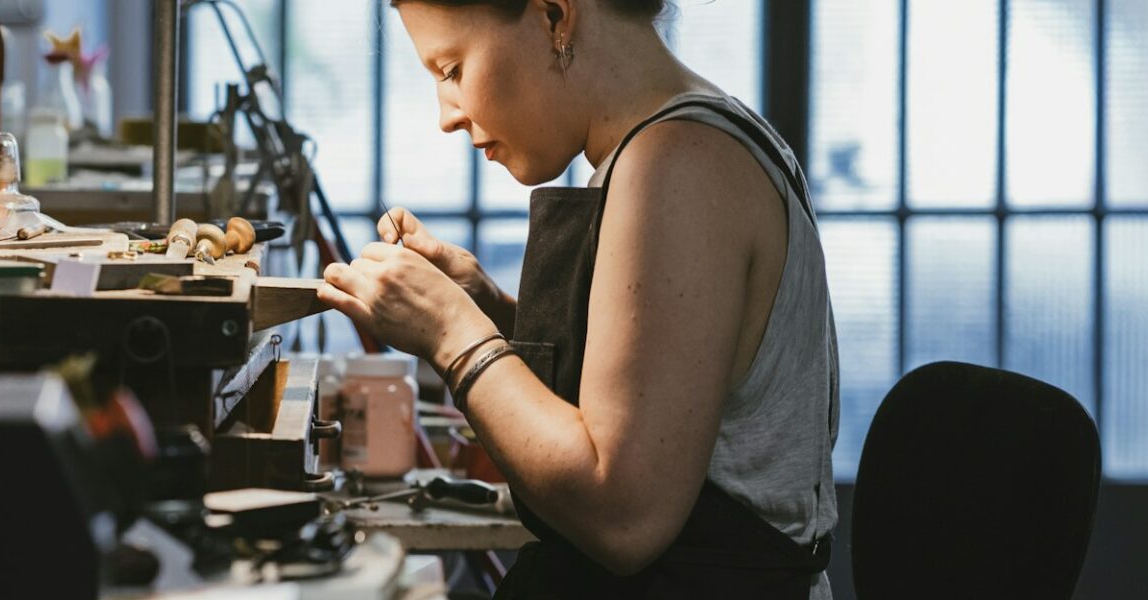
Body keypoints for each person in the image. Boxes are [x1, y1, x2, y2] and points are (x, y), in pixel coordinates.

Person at [317, 1, 841, 597]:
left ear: (553, 16)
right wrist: (487, 306)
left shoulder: (677, 165)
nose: (447, 116)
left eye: (452, 70)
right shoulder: (688, 137)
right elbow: (648, 387)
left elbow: (623, 517)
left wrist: (453, 334)